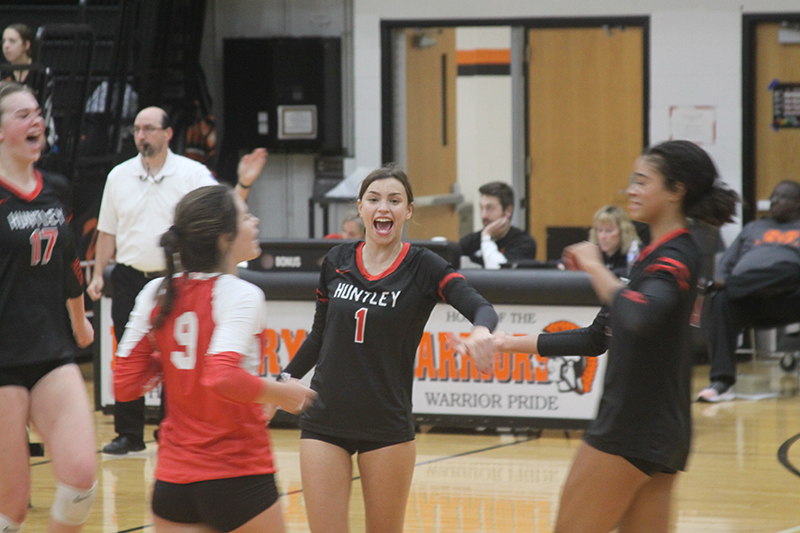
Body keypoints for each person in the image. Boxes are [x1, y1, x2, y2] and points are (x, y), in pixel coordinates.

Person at [471, 140, 738, 533]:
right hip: (662, 431)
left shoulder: (676, 258)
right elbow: (599, 336)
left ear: (675, 190)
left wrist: (596, 268)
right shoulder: (657, 254)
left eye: (642, 181)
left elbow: (638, 316)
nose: (631, 189)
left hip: (631, 427)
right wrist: (509, 343)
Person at [280, 165, 499, 533]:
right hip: (324, 418)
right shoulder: (337, 260)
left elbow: (482, 307)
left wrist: (481, 332)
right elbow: (320, 335)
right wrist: (282, 379)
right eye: (374, 199)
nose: (384, 207)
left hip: (386, 424)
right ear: (361, 208)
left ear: (408, 211)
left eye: (395, 200)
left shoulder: (425, 266)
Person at [113, 184, 316, 532]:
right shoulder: (241, 294)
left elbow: (124, 385)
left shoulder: (155, 291)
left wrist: (177, 366)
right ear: (224, 239)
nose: (255, 221)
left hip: (173, 482)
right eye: (246, 215)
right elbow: (221, 377)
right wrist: (284, 394)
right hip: (237, 475)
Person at [87, 105, 268, 455]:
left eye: (150, 128)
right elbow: (107, 230)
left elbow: (223, 210)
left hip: (178, 279)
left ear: (168, 134)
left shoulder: (192, 172)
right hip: (129, 278)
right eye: (137, 128)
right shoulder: (118, 175)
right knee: (146, 360)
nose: (142, 135)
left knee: (168, 364)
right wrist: (97, 274)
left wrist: (243, 184)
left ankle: (172, 429)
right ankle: (130, 434)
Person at [0, 80, 97, 532]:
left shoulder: (56, 188)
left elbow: (70, 263)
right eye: (22, 115)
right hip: (2, 361)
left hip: (51, 348)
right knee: (11, 508)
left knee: (80, 479)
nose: (35, 120)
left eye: (37, 112)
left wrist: (79, 324)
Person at [697, 180, 800, 402]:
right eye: (773, 195)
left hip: (790, 298)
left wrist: (727, 284)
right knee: (722, 299)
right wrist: (722, 281)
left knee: (791, 269)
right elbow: (726, 264)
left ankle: (733, 286)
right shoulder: (753, 228)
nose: (774, 200)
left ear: (798, 203)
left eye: (782, 197)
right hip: (750, 300)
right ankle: (721, 383)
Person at [458, 181, 537, 269]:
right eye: (481, 208)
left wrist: (486, 238)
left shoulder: (524, 243)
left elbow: (500, 274)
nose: (484, 215)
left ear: (508, 211)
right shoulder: (469, 242)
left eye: (490, 208)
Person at [588, 205, 641, 279]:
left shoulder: (634, 256)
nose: (602, 236)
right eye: (600, 230)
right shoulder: (592, 257)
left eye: (609, 231)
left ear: (623, 232)